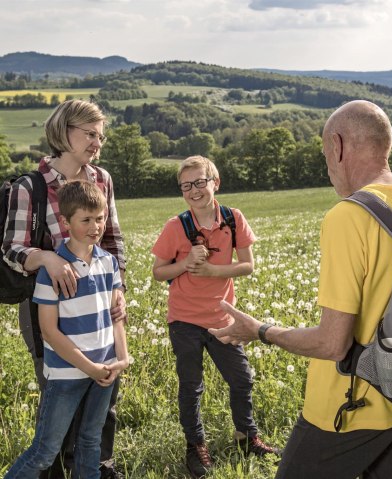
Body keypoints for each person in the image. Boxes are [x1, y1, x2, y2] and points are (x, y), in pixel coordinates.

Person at [209, 100, 392, 479]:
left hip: (347, 406)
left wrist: (260, 331)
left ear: (338, 146)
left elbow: (332, 344)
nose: (327, 168)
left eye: (326, 154)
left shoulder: (348, 216)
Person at [2, 99, 127, 479]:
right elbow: (11, 248)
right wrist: (48, 259)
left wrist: (118, 286)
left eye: (100, 136)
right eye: (89, 133)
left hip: (98, 300)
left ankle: (96, 467)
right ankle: (54, 470)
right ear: (63, 131)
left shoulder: (101, 179)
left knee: (104, 393)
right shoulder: (31, 186)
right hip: (49, 306)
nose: (96, 142)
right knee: (61, 389)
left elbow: (112, 238)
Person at [151, 155, 279, 479]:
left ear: (214, 182)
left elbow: (248, 265)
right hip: (184, 319)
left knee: (242, 378)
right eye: (185, 186)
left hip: (222, 318)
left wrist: (211, 270)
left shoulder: (233, 219)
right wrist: (186, 264)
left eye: (199, 182)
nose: (193, 191)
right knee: (191, 386)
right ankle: (195, 447)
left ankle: (246, 437)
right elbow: (158, 271)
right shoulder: (175, 226)